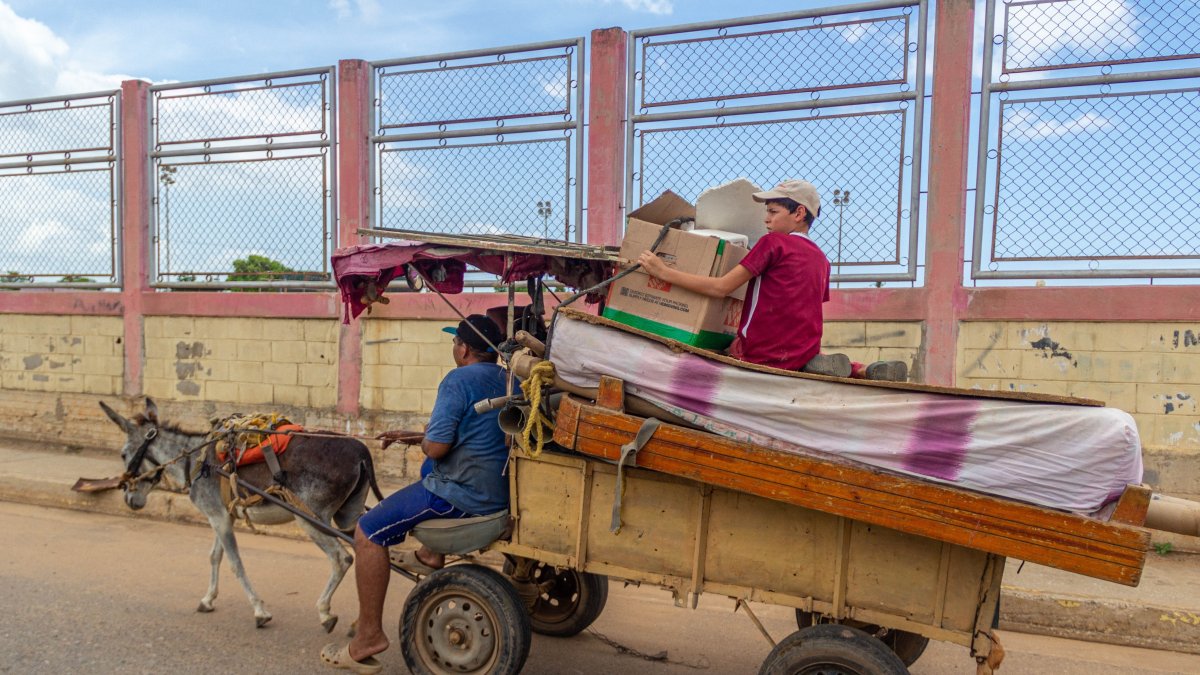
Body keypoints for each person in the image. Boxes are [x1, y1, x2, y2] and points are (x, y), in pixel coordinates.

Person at [321, 314, 509, 675]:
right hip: (494, 487)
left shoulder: (457, 379)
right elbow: (466, 434)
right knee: (425, 471)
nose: (454, 348)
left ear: (463, 349)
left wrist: (426, 441)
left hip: (462, 495)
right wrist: (414, 436)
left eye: (455, 342)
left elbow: (437, 447)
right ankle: (430, 554)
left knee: (368, 531)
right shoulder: (505, 377)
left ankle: (368, 637)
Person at [636, 179, 906, 381]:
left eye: (773, 212)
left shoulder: (773, 243)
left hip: (760, 354)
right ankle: (856, 368)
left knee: (720, 346)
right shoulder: (822, 260)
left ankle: (813, 362)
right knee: (802, 351)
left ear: (799, 213)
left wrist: (663, 272)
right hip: (802, 350)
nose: (766, 220)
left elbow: (721, 288)